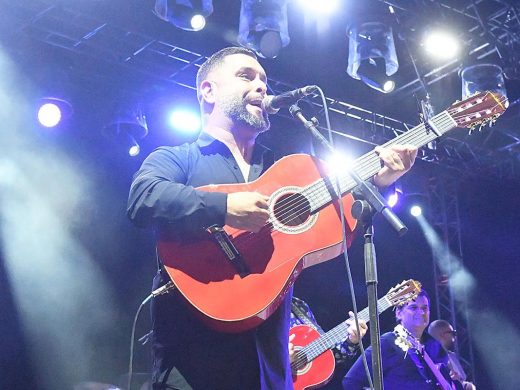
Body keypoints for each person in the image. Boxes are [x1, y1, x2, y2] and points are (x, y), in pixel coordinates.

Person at [127, 46, 418, 390]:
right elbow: (142, 198)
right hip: (193, 360)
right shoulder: (180, 157)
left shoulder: (289, 171)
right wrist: (224, 207)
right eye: (245, 76)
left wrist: (380, 181)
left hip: (270, 362)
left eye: (264, 79)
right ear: (208, 91)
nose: (262, 85)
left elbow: (339, 229)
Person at [342, 288, 460, 389]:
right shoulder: (387, 342)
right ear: (399, 313)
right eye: (413, 307)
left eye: (425, 308)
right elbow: (351, 382)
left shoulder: (435, 347)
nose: (421, 312)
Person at [428, 320, 476, 390]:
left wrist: (468, 386)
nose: (455, 337)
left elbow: (461, 382)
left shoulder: (451, 356)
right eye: (453, 333)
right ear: (442, 335)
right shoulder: (427, 357)